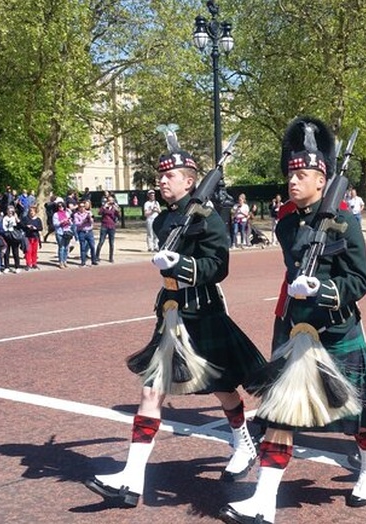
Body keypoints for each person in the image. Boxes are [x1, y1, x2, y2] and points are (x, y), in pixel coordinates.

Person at [219, 117, 366, 524]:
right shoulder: (285, 225)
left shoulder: (346, 223)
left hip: (335, 327)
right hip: (297, 328)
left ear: (323, 178)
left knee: (358, 416)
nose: (292, 181)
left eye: (302, 174)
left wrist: (323, 291)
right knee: (280, 414)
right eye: (290, 174)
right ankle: (264, 500)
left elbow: (359, 280)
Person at [85, 142, 266, 509]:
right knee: (152, 391)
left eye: (169, 176)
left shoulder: (208, 218)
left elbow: (219, 266)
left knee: (223, 385)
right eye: (161, 175)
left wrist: (182, 265)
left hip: (203, 312)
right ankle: (132, 478)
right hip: (171, 312)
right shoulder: (165, 218)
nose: (162, 181)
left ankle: (243, 441)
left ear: (188, 181)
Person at [96, 194, 120, 262]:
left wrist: (117, 210)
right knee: (101, 241)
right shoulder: (104, 207)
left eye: (111, 200)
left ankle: (111, 257)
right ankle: (97, 256)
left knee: (111, 243)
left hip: (112, 226)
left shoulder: (114, 207)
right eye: (109, 200)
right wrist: (104, 207)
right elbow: (99, 213)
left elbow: (118, 216)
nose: (110, 202)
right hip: (104, 226)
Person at [73, 200, 96, 267]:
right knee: (82, 247)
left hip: (89, 231)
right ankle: (83, 262)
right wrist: (83, 221)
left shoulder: (88, 213)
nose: (82, 208)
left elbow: (92, 222)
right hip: (81, 232)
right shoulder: (76, 215)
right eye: (81, 207)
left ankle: (93, 261)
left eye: (83, 206)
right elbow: (77, 223)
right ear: (79, 208)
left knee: (92, 246)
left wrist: (90, 219)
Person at [1, 205, 23, 273]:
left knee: (15, 252)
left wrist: (17, 219)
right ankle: (6, 266)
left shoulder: (15, 218)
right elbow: (2, 227)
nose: (10, 212)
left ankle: (17, 266)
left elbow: (21, 226)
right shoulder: (4, 218)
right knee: (6, 252)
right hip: (6, 236)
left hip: (14, 236)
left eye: (12, 211)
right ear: (7, 211)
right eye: (9, 211)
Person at [21, 205, 43, 270]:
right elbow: (21, 226)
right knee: (28, 251)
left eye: (33, 211)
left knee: (34, 251)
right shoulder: (25, 218)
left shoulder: (38, 219)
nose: (31, 212)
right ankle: (28, 264)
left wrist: (35, 228)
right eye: (30, 211)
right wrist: (26, 226)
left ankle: (34, 263)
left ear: (35, 212)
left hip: (35, 237)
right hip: (27, 237)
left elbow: (41, 228)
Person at [52, 199, 72, 268]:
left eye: (62, 206)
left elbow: (71, 223)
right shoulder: (55, 214)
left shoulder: (67, 213)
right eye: (59, 206)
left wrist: (68, 221)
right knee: (61, 247)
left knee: (66, 247)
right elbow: (55, 224)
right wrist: (62, 221)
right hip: (60, 232)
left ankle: (65, 261)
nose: (61, 207)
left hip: (67, 231)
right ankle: (61, 262)